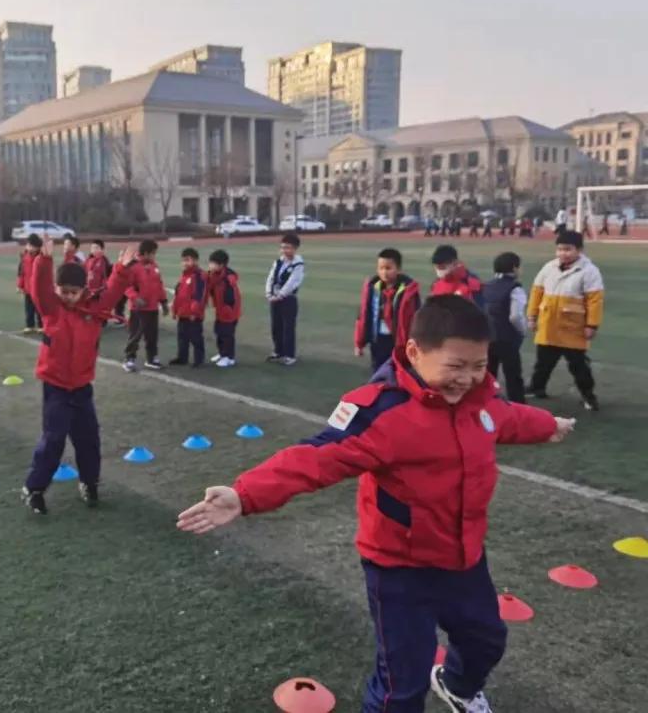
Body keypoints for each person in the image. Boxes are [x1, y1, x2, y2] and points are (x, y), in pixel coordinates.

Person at [178, 295, 575, 713]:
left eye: (478, 366)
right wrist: (246, 493)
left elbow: (506, 417)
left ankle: (457, 685)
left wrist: (548, 425)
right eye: (455, 367)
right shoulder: (381, 410)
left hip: (464, 557)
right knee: (401, 682)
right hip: (399, 568)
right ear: (415, 352)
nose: (468, 378)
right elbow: (318, 455)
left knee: (486, 639)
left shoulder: (479, 401)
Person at [22, 238, 136, 515]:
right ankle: (34, 489)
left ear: (84, 289)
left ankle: (89, 482)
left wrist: (121, 268)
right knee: (54, 438)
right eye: (64, 291)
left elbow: (112, 291)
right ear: (57, 289)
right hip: (56, 387)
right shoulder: (52, 309)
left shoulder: (94, 310)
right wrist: (44, 261)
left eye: (75, 292)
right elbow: (39, 289)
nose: (69, 297)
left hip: (82, 387)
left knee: (88, 438)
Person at [526, 231, 604, 411]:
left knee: (579, 366)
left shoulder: (589, 271)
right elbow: (537, 292)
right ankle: (537, 387)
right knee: (543, 362)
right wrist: (532, 316)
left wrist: (591, 325)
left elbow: (595, 300)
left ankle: (588, 395)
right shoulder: (549, 268)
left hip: (573, 328)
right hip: (548, 324)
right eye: (560, 249)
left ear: (579, 250)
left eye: (568, 249)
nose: (563, 253)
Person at [354, 248, 421, 372]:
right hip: (378, 340)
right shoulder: (372, 289)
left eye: (388, 268)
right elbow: (363, 315)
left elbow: (416, 318)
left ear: (398, 269)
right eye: (381, 268)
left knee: (399, 373)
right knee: (378, 372)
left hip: (399, 343)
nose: (384, 272)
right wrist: (359, 343)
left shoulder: (408, 291)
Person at [483, 252, 527, 403]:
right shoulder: (515, 288)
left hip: (488, 336)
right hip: (507, 337)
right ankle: (518, 405)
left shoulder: (486, 286)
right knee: (513, 375)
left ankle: (488, 402)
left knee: (488, 373)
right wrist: (522, 331)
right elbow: (515, 316)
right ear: (514, 268)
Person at [123, 239, 168, 372]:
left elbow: (159, 285)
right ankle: (129, 359)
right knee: (135, 335)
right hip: (138, 310)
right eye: (153, 253)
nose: (154, 256)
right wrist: (135, 298)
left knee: (152, 335)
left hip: (153, 308)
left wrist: (164, 302)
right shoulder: (134, 267)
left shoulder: (154, 266)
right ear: (146, 253)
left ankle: (152, 358)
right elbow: (126, 285)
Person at [265, 233, 305, 366]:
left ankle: (289, 354)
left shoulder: (298, 264)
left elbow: (292, 282)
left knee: (288, 327)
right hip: (275, 298)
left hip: (288, 299)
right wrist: (269, 294)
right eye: (283, 247)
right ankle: (278, 351)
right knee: (276, 326)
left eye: (288, 248)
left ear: (295, 248)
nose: (285, 250)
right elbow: (271, 278)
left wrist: (280, 295)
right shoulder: (278, 262)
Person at [169, 247, 207, 367]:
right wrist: (174, 310)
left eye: (188, 260)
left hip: (193, 315)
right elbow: (178, 295)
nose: (185, 263)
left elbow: (198, 296)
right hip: (182, 313)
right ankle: (182, 358)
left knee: (196, 338)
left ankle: (198, 360)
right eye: (184, 260)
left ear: (196, 261)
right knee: (182, 337)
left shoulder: (199, 276)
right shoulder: (184, 276)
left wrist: (194, 312)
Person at [207, 249, 242, 368]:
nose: (210, 265)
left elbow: (230, 296)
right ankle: (222, 353)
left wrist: (227, 310)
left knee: (227, 334)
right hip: (220, 310)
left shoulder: (228, 278)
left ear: (221, 265)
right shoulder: (213, 275)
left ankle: (229, 357)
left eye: (213, 263)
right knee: (218, 332)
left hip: (229, 311)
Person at [17, 234, 43, 334]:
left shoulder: (41, 258)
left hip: (38, 289)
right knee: (28, 308)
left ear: (37, 247)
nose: (29, 247)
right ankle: (30, 325)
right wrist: (20, 285)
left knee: (39, 308)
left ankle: (41, 325)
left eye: (31, 245)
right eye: (28, 245)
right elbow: (21, 273)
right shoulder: (24, 257)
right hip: (28, 288)